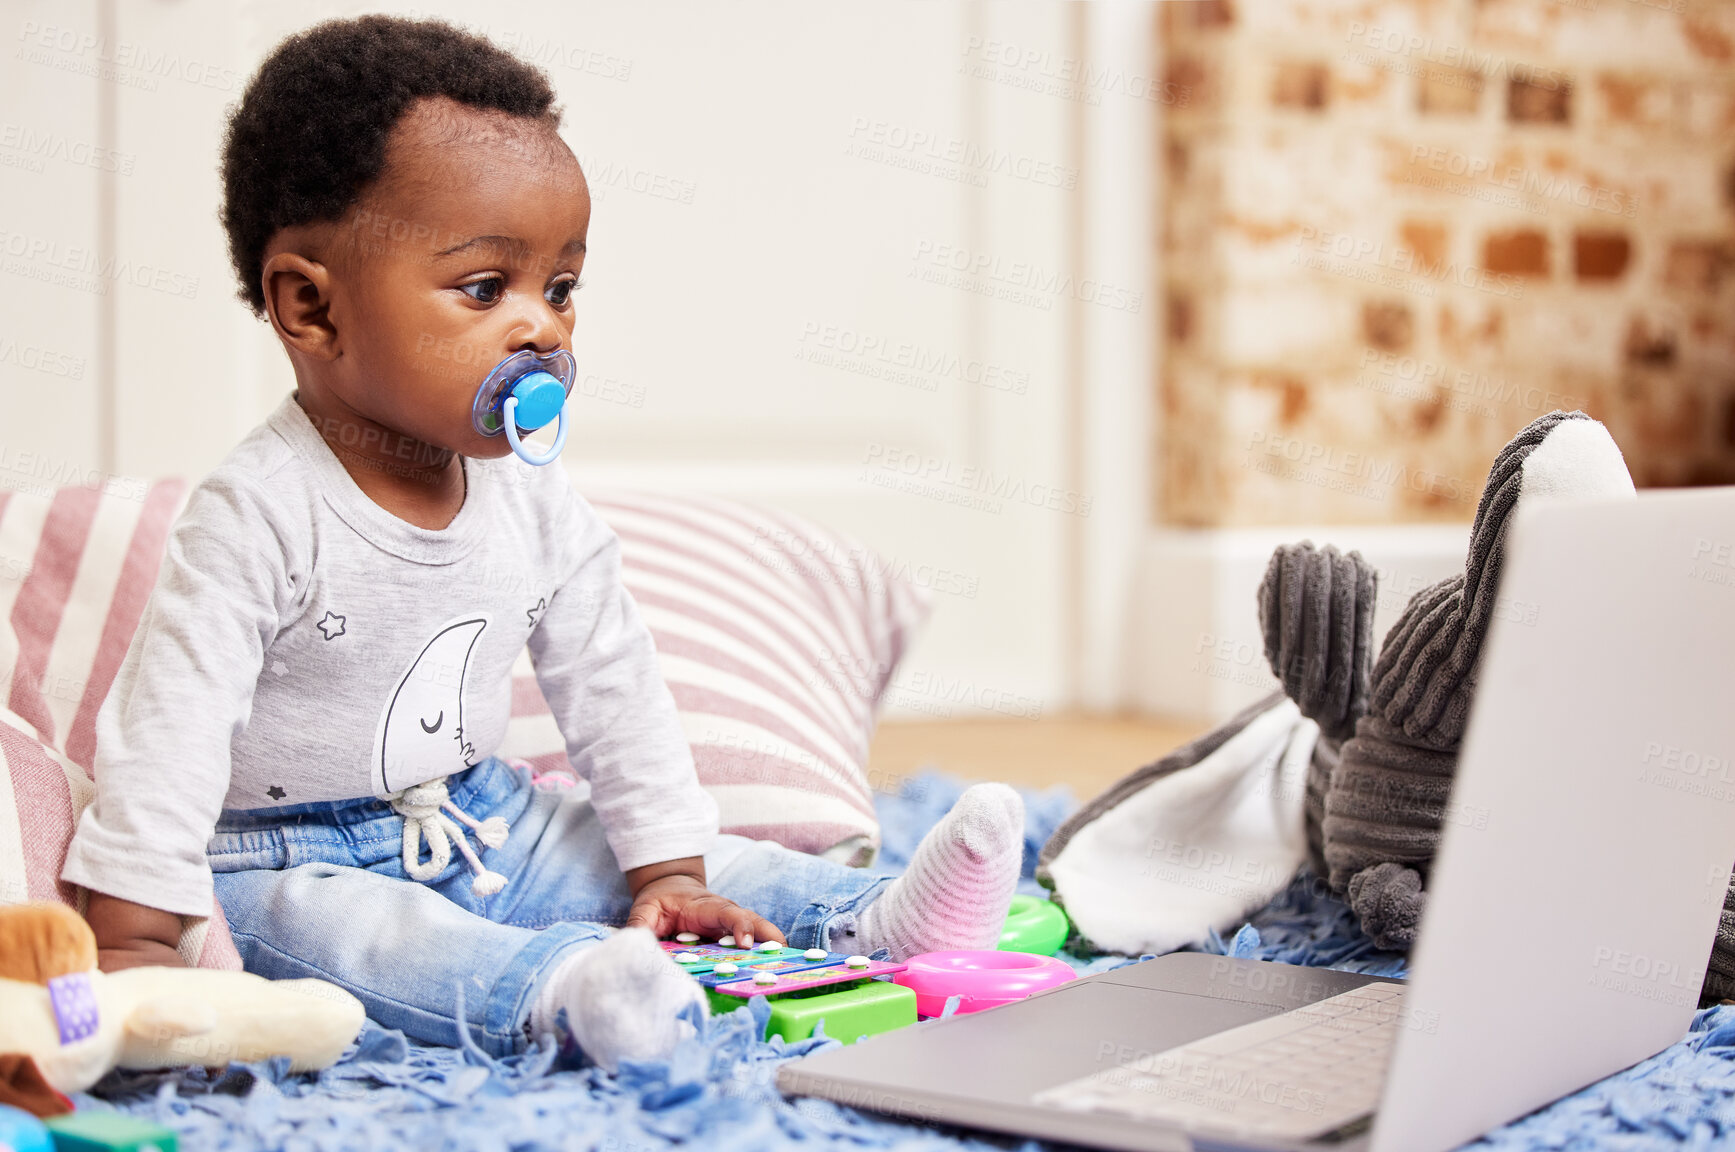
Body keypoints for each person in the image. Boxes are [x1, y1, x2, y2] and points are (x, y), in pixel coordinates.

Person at [60, 15, 1024, 1072]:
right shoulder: (257, 512)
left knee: (598, 852)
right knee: (363, 941)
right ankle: (564, 990)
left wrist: (666, 873)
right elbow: (172, 729)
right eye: (486, 289)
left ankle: (874, 917)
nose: (545, 328)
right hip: (280, 855)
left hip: (483, 820)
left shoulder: (528, 494)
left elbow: (613, 679)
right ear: (311, 308)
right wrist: (138, 938)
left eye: (559, 287)